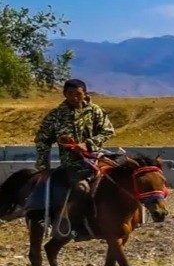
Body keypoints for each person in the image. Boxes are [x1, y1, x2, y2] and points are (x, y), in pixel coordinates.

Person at [32, 78, 116, 222]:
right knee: (81, 189)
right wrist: (44, 166)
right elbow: (42, 140)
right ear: (64, 94)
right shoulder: (55, 116)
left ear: (85, 93)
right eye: (70, 94)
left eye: (78, 94)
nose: (74, 97)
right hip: (73, 165)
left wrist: (88, 144)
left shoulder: (95, 111)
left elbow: (108, 131)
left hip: (96, 158)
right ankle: (73, 222)